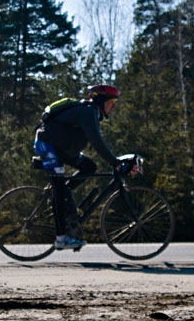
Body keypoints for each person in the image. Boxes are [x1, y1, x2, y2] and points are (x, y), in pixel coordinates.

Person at [33, 84, 136, 250]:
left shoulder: (92, 113)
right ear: (102, 101)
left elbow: (98, 142)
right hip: (48, 145)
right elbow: (97, 143)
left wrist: (116, 161)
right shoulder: (88, 112)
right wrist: (116, 163)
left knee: (89, 167)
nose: (114, 107)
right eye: (111, 102)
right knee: (59, 188)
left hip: (62, 148)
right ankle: (61, 238)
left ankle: (65, 198)